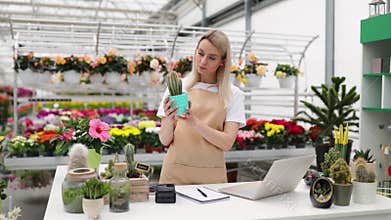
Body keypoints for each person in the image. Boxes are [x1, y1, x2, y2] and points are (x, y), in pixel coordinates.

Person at [156, 29, 245, 185]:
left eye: (212, 58)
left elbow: (227, 143)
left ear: (222, 61)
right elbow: (164, 140)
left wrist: (194, 122)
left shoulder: (233, 94)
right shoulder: (178, 87)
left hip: (211, 178)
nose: (203, 61)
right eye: (200, 53)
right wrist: (169, 120)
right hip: (175, 174)